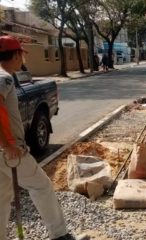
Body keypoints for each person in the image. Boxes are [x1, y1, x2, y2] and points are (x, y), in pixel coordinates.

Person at [0, 36, 79, 240]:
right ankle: (59, 234)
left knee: (2, 196)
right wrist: (8, 144)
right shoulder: (4, 78)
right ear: (16, 54)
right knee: (41, 186)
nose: (22, 60)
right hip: (9, 152)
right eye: (21, 55)